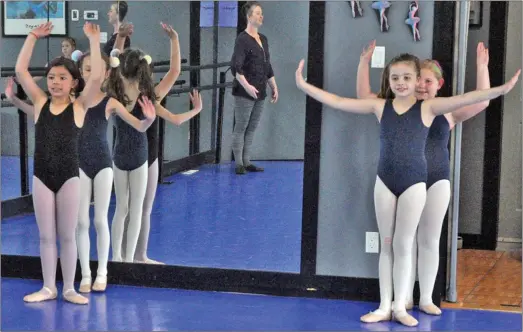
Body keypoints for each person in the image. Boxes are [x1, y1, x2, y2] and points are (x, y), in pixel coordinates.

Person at [295, 55, 519, 326]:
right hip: (385, 183)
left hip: (416, 183)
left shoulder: (431, 108)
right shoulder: (381, 106)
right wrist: (304, 85)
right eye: (395, 78)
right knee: (388, 245)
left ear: (416, 82)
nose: (402, 83)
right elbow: (341, 102)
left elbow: (471, 99)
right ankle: (385, 305)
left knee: (407, 243)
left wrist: (502, 88)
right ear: (389, 81)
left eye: (408, 78)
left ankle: (403, 305)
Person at [356, 40, 491, 317]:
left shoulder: (447, 111)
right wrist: (364, 63)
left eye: (428, 82)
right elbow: (364, 97)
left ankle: (426, 297)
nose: (422, 87)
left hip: (436, 181)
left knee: (429, 239)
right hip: (403, 182)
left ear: (438, 85)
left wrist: (482, 67)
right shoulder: (397, 110)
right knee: (403, 242)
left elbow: (483, 99)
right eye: (420, 81)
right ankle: (403, 297)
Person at [13, 21, 105, 305]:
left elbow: (98, 77)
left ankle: (69, 288)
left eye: (62, 78)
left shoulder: (79, 106)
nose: (54, 82)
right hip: (42, 176)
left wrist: (92, 40)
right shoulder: (40, 102)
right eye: (51, 77)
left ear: (74, 82)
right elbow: (20, 71)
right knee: (46, 236)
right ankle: (49, 286)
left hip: (68, 177)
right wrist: (32, 36)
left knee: (67, 235)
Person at [117, 22, 203, 264]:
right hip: (145, 155)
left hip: (131, 155)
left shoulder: (120, 93)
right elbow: (174, 72)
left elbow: (113, 60)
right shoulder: (150, 97)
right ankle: (134, 255)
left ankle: (127, 255)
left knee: (127, 210)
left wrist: (121, 38)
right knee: (141, 209)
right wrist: (174, 39)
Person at [74, 50, 156, 293]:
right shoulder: (74, 100)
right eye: (87, 68)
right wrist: (16, 100)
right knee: (81, 221)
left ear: (107, 72)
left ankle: (106, 271)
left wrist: (149, 120)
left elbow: (139, 125)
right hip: (83, 164)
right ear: (80, 71)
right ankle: (87, 274)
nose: (92, 74)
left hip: (105, 163)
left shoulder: (110, 100)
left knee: (102, 218)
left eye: (97, 69)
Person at [230, 1, 278, 175]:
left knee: (252, 128)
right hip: (245, 92)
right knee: (241, 127)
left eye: (261, 13)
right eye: (257, 13)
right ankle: (238, 164)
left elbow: (267, 65)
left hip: (260, 90)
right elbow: (236, 67)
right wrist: (247, 87)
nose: (261, 16)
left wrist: (273, 85)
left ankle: (247, 160)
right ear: (249, 17)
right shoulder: (242, 39)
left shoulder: (263, 39)